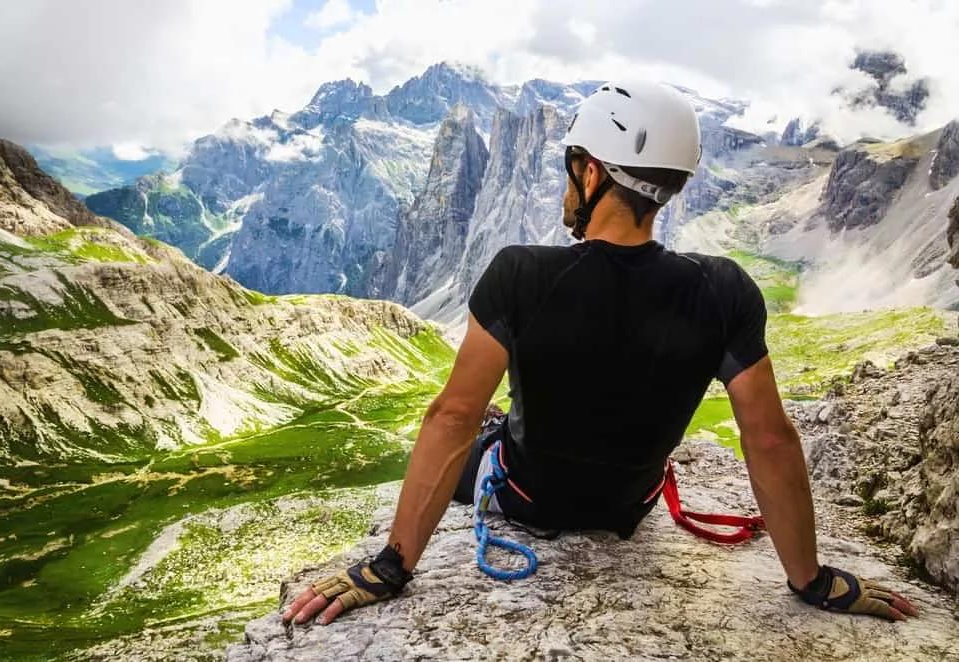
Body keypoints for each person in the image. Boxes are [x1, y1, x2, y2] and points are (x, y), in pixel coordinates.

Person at [282, 80, 919, 626]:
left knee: (480, 429)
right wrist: (811, 581)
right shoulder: (724, 289)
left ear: (590, 172)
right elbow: (771, 439)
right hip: (629, 505)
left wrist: (389, 568)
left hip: (526, 499)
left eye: (570, 168)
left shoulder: (520, 273)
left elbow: (449, 416)